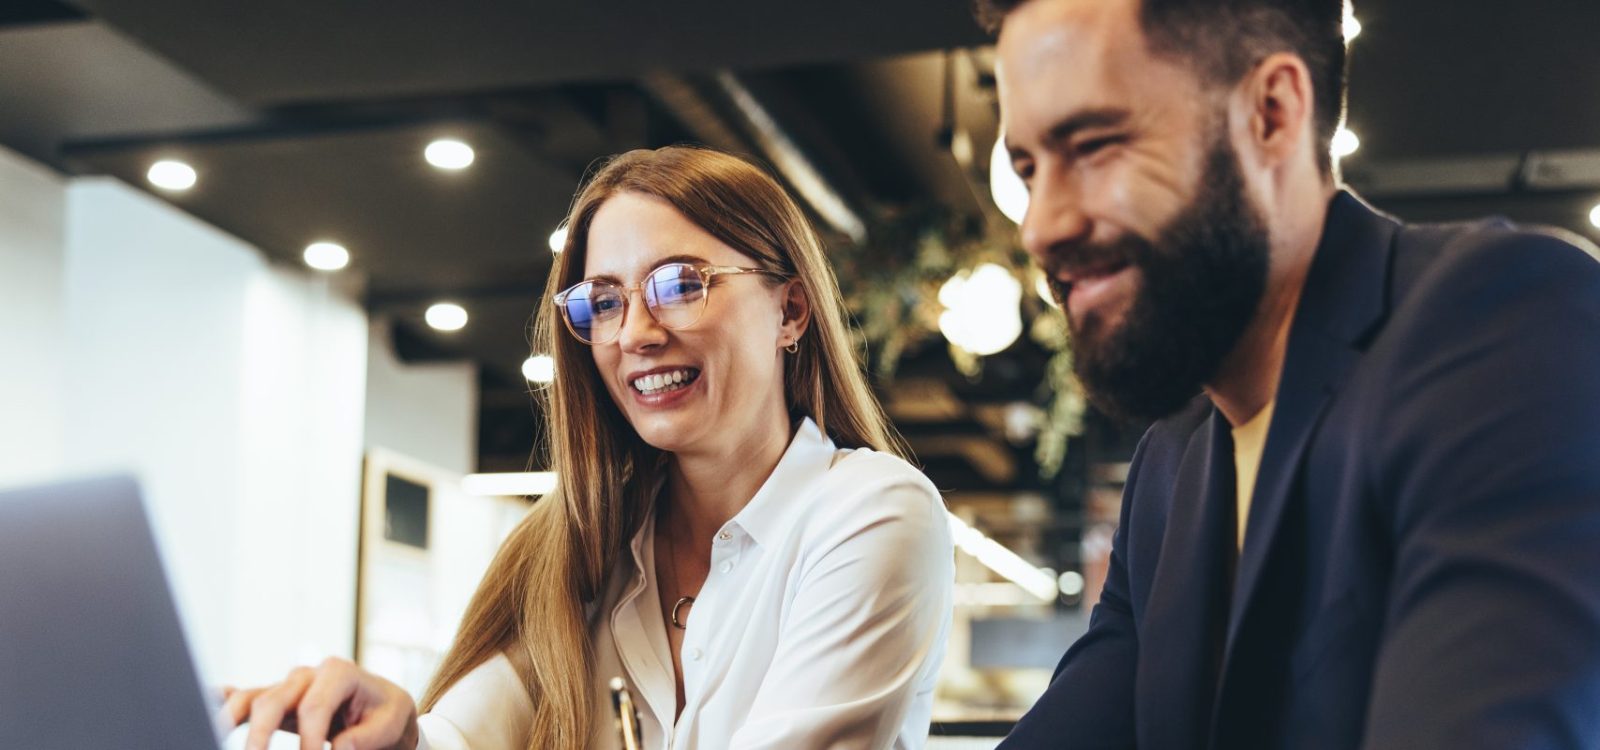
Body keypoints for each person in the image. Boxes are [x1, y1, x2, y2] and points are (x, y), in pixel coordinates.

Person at [977, 0, 1600, 747]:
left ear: (1271, 114)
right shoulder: (1170, 464)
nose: (1040, 225)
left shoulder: (1502, 323)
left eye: (1097, 145)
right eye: (1027, 167)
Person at [222, 146, 954, 750]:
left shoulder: (872, 512)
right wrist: (396, 734)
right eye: (603, 301)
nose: (635, 332)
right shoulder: (580, 547)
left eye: (678, 284)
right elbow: (465, 739)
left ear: (790, 309)